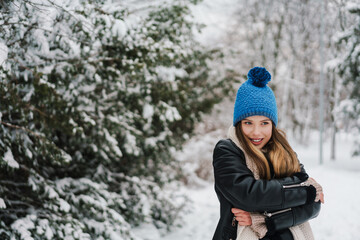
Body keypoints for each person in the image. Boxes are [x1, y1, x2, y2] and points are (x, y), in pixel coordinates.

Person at [212, 67, 324, 240]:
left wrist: (263, 219)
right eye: (248, 123)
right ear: (238, 124)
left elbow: (314, 207)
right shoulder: (227, 150)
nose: (257, 132)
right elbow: (250, 195)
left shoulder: (284, 152)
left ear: (273, 124)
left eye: (264, 123)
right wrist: (306, 190)